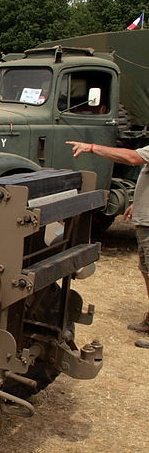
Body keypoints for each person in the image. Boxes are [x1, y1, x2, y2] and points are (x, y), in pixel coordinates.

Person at [67, 140, 149, 348]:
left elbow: (132, 158)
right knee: (146, 270)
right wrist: (136, 204)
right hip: (145, 220)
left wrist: (92, 148)